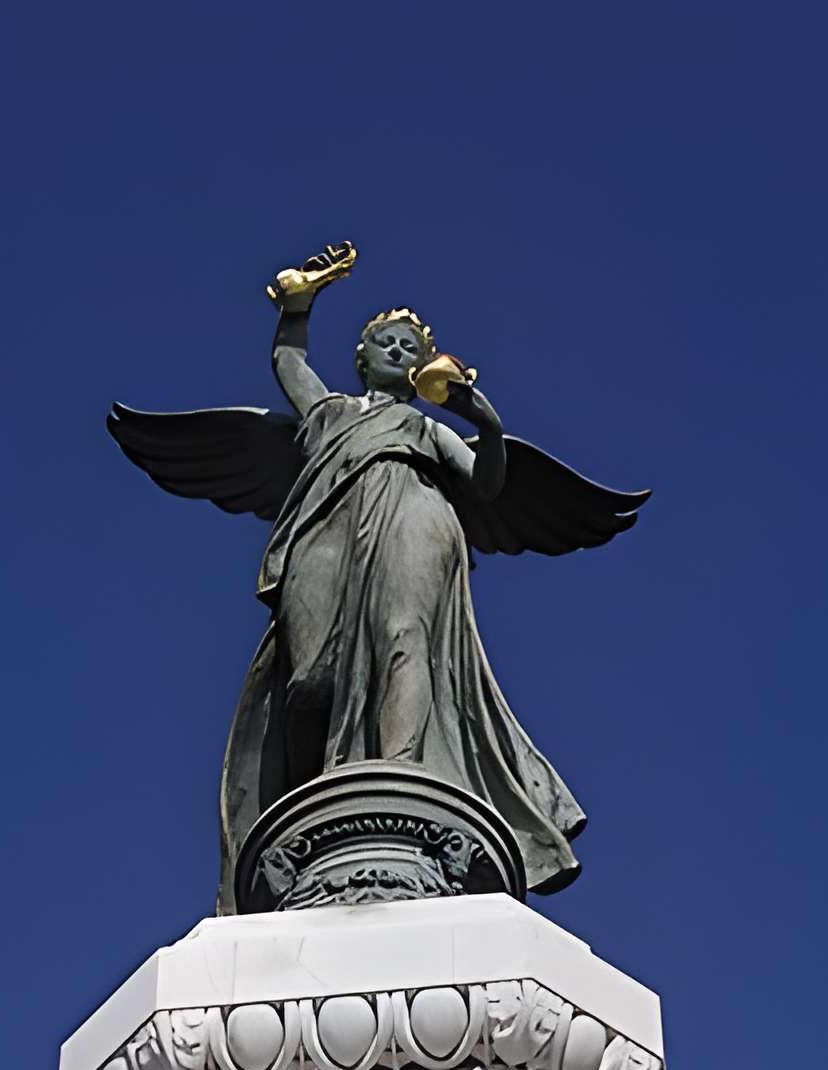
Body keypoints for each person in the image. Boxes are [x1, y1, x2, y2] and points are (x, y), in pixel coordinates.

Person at [107, 243, 650, 907]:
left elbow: (485, 481)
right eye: (385, 342)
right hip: (327, 527)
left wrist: (484, 421)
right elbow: (288, 363)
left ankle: (397, 777)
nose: (397, 351)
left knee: (404, 637)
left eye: (407, 346)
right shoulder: (330, 414)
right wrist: (299, 304)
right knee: (309, 676)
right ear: (362, 357)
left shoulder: (421, 427)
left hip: (413, 512)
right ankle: (319, 796)